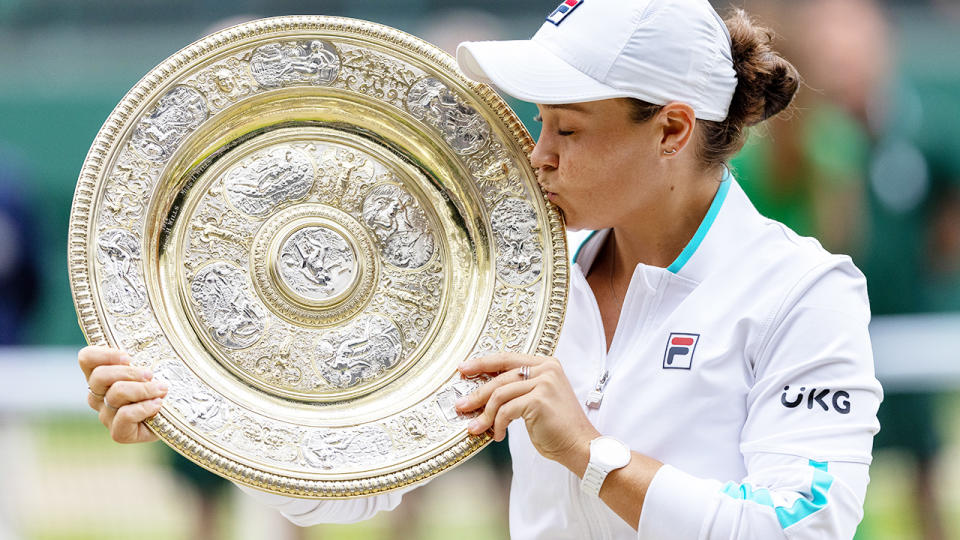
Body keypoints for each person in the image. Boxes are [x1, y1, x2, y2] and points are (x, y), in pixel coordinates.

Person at [78, 1, 883, 538]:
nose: (539, 156)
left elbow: (796, 527)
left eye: (568, 129)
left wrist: (591, 453)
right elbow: (354, 485)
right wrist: (196, 417)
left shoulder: (803, 294)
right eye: (541, 124)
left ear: (672, 130)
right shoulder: (519, 280)